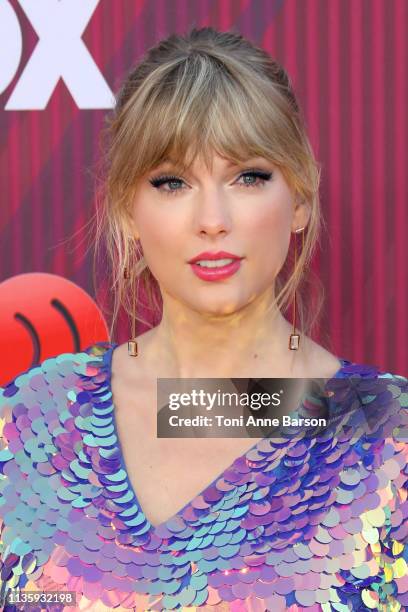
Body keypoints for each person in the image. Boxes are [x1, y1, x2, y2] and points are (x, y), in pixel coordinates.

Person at [0, 26, 407, 612]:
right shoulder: (27, 428)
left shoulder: (387, 440)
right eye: (172, 182)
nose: (212, 218)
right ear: (127, 210)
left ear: (299, 200)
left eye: (248, 176)